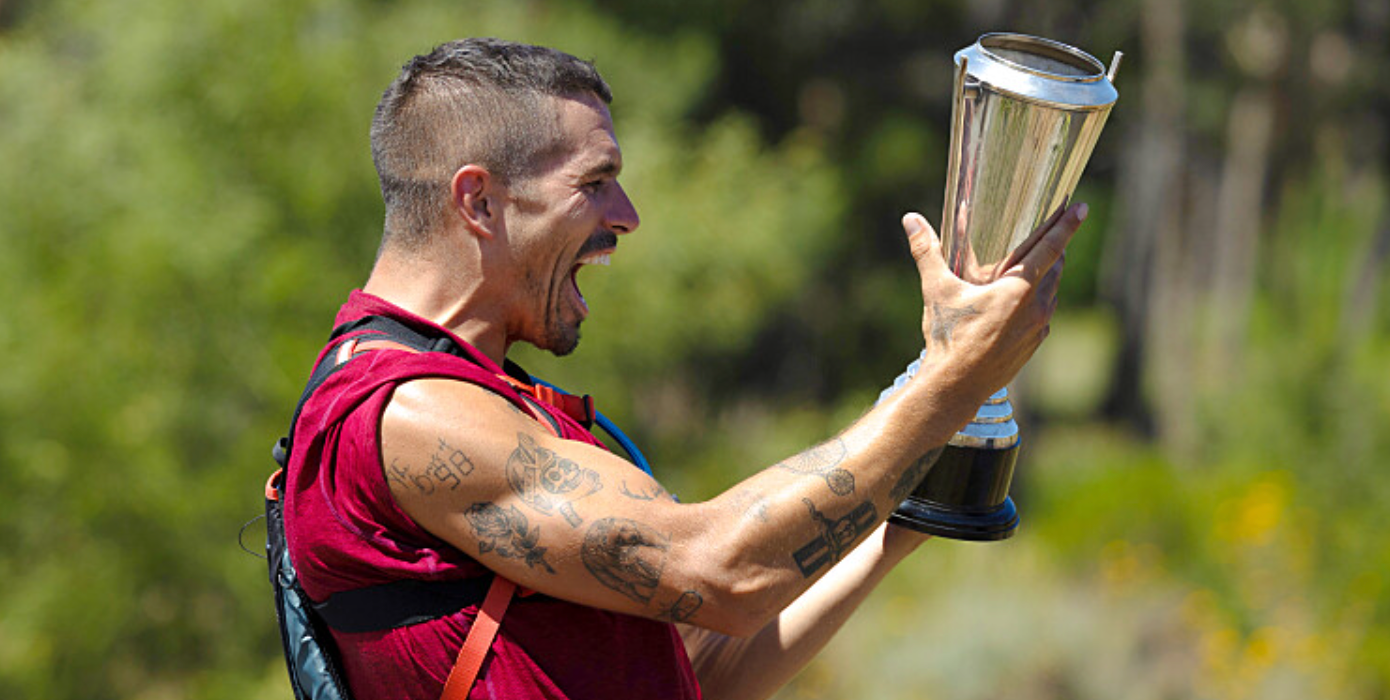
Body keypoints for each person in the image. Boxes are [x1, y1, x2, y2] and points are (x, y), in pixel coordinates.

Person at [282, 37, 1084, 700]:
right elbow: (719, 570)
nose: (625, 216)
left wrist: (899, 514)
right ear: (479, 203)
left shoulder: (486, 400)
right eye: (593, 185)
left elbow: (702, 666)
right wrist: (948, 379)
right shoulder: (405, 416)